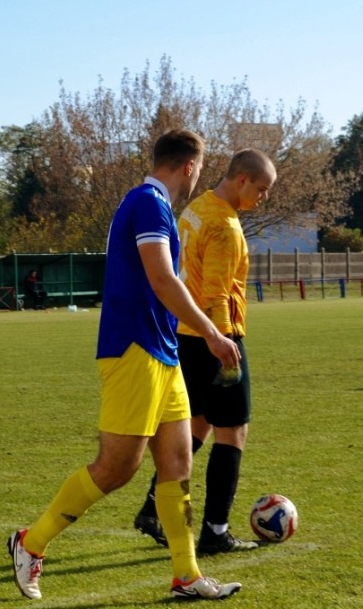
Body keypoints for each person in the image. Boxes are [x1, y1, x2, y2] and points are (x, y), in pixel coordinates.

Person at [7, 129, 244, 601]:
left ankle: (186, 575)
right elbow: (162, 279)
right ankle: (30, 544)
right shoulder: (148, 202)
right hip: (133, 348)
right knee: (117, 468)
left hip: (163, 352)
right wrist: (214, 333)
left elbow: (164, 281)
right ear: (189, 167)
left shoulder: (156, 207)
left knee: (177, 464)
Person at [133, 148, 277, 556]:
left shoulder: (196, 208)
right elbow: (215, 293)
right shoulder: (225, 226)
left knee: (197, 425)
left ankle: (152, 509)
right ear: (242, 179)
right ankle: (215, 530)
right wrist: (223, 341)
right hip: (214, 336)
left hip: (183, 332)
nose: (262, 198)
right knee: (234, 430)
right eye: (262, 189)